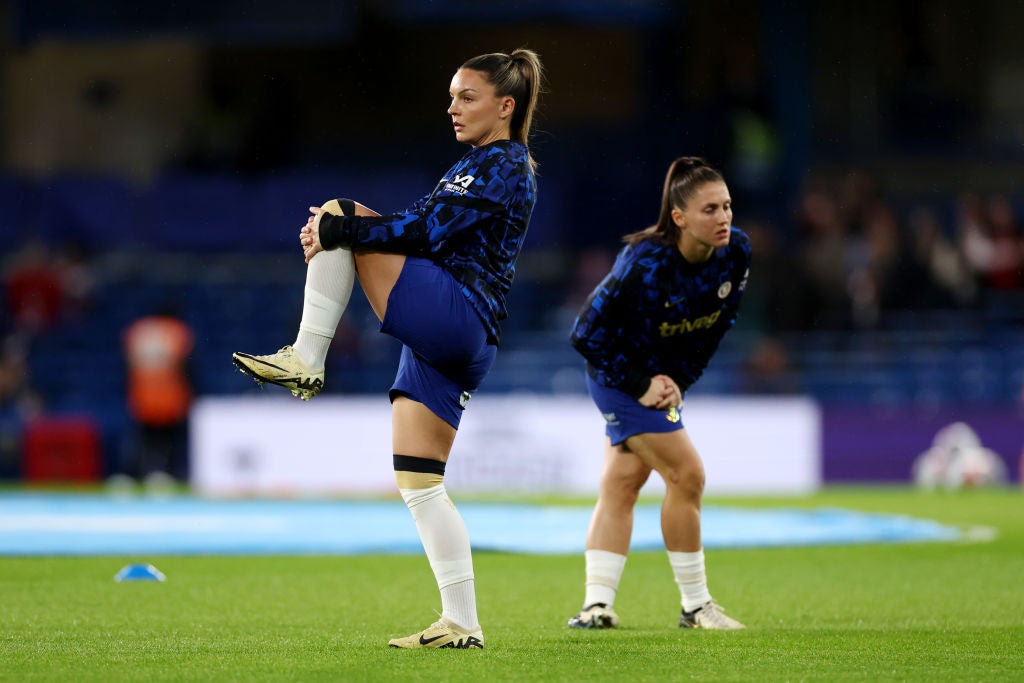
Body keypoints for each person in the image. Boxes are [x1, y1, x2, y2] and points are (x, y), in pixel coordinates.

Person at [232, 49, 544, 649]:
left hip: (456, 315)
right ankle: (462, 624)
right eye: (451, 95)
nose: (452, 107)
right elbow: (417, 223)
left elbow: (421, 233)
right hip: (453, 337)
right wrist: (338, 234)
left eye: (467, 97)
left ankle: (306, 358)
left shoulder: (505, 163)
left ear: (505, 107)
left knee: (340, 210)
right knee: (420, 483)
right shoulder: (474, 164)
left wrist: (337, 230)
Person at [567, 157, 750, 631]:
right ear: (679, 217)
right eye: (710, 209)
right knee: (687, 475)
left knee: (623, 482)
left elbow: (715, 328)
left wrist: (678, 383)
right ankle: (696, 607)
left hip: (658, 379)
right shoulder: (643, 262)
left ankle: (595, 607)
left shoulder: (736, 255)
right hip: (616, 375)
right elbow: (585, 333)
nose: (724, 217)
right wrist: (642, 384)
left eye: (727, 206)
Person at [122, 303, 195, 484]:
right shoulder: (176, 331)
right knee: (167, 440)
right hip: (169, 395)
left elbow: (127, 366)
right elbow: (185, 367)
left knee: (143, 438)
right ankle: (164, 473)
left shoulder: (139, 330)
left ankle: (133, 475)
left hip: (142, 394)